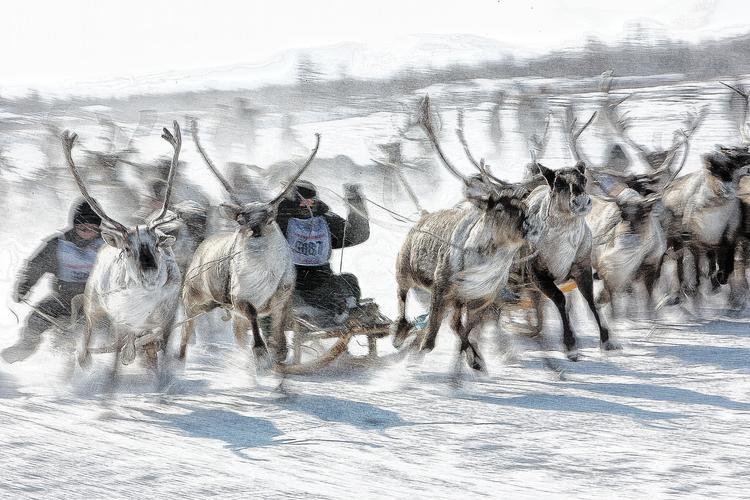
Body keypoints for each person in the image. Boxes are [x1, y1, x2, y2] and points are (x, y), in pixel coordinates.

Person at [1, 200, 103, 363]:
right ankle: (24, 347)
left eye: (93, 229)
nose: (88, 233)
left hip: (99, 301)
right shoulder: (60, 244)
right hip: (64, 298)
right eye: (83, 228)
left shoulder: (106, 245)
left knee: (114, 323)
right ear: (75, 226)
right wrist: (24, 286)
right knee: (36, 319)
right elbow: (36, 266)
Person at [275, 180, 370, 325]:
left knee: (349, 281)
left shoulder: (324, 220)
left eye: (311, 201)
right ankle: (338, 311)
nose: (307, 205)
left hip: (322, 278)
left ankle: (348, 310)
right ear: (291, 203)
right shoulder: (280, 222)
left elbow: (356, 234)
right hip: (294, 284)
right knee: (325, 295)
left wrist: (355, 200)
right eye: (302, 202)